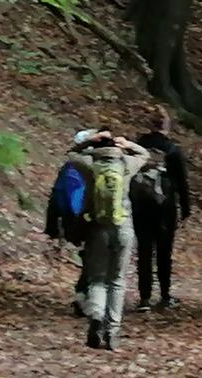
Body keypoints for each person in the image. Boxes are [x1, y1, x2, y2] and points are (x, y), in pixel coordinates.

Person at [63, 131, 149, 350]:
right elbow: (145, 154)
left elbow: (70, 153)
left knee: (98, 279)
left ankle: (96, 316)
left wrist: (88, 142)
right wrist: (128, 143)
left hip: (97, 230)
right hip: (123, 228)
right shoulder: (127, 164)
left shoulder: (90, 166)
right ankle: (112, 332)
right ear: (116, 147)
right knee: (117, 281)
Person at [131, 107, 193, 311]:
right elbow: (182, 183)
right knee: (164, 253)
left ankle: (144, 299)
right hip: (165, 208)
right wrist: (185, 210)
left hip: (140, 206)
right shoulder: (172, 150)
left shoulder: (138, 146)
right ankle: (165, 296)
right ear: (166, 126)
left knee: (144, 251)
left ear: (150, 124)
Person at [44, 129, 100, 314]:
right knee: (94, 258)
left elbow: (56, 197)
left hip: (75, 219)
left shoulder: (71, 167)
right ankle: (86, 298)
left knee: (90, 258)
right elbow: (73, 198)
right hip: (83, 218)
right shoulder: (86, 168)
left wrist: (52, 226)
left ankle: (84, 296)